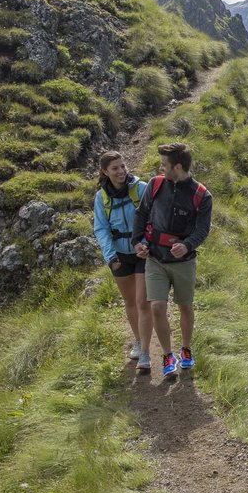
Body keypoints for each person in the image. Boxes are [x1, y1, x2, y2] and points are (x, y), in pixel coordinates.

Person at [132, 142, 213, 378]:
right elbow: (141, 214)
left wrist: (187, 245)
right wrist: (138, 242)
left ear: (177, 167)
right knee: (157, 306)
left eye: (164, 165)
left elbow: (202, 229)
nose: (161, 168)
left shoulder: (202, 195)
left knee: (185, 306)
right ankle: (168, 355)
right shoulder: (156, 185)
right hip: (155, 258)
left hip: (184, 262)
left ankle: (186, 349)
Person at [93, 150, 153, 370]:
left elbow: (155, 219)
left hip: (143, 253)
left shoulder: (142, 188)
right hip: (119, 256)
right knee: (130, 302)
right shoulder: (102, 197)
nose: (121, 171)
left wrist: (147, 244)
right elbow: (101, 229)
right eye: (115, 168)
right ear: (104, 171)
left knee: (143, 301)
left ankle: (145, 351)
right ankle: (138, 340)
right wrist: (111, 257)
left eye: (123, 166)